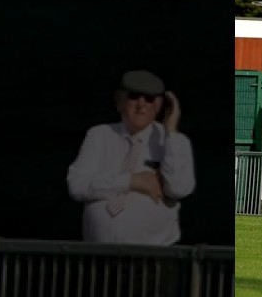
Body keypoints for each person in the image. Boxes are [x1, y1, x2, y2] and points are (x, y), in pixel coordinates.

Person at [66, 69, 196, 245]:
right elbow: (77, 185)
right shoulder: (99, 135)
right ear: (119, 101)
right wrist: (131, 181)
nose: (141, 105)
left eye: (149, 99)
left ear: (158, 106)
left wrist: (170, 132)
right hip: (100, 256)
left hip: (154, 259)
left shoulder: (175, 142)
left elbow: (179, 188)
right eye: (134, 97)